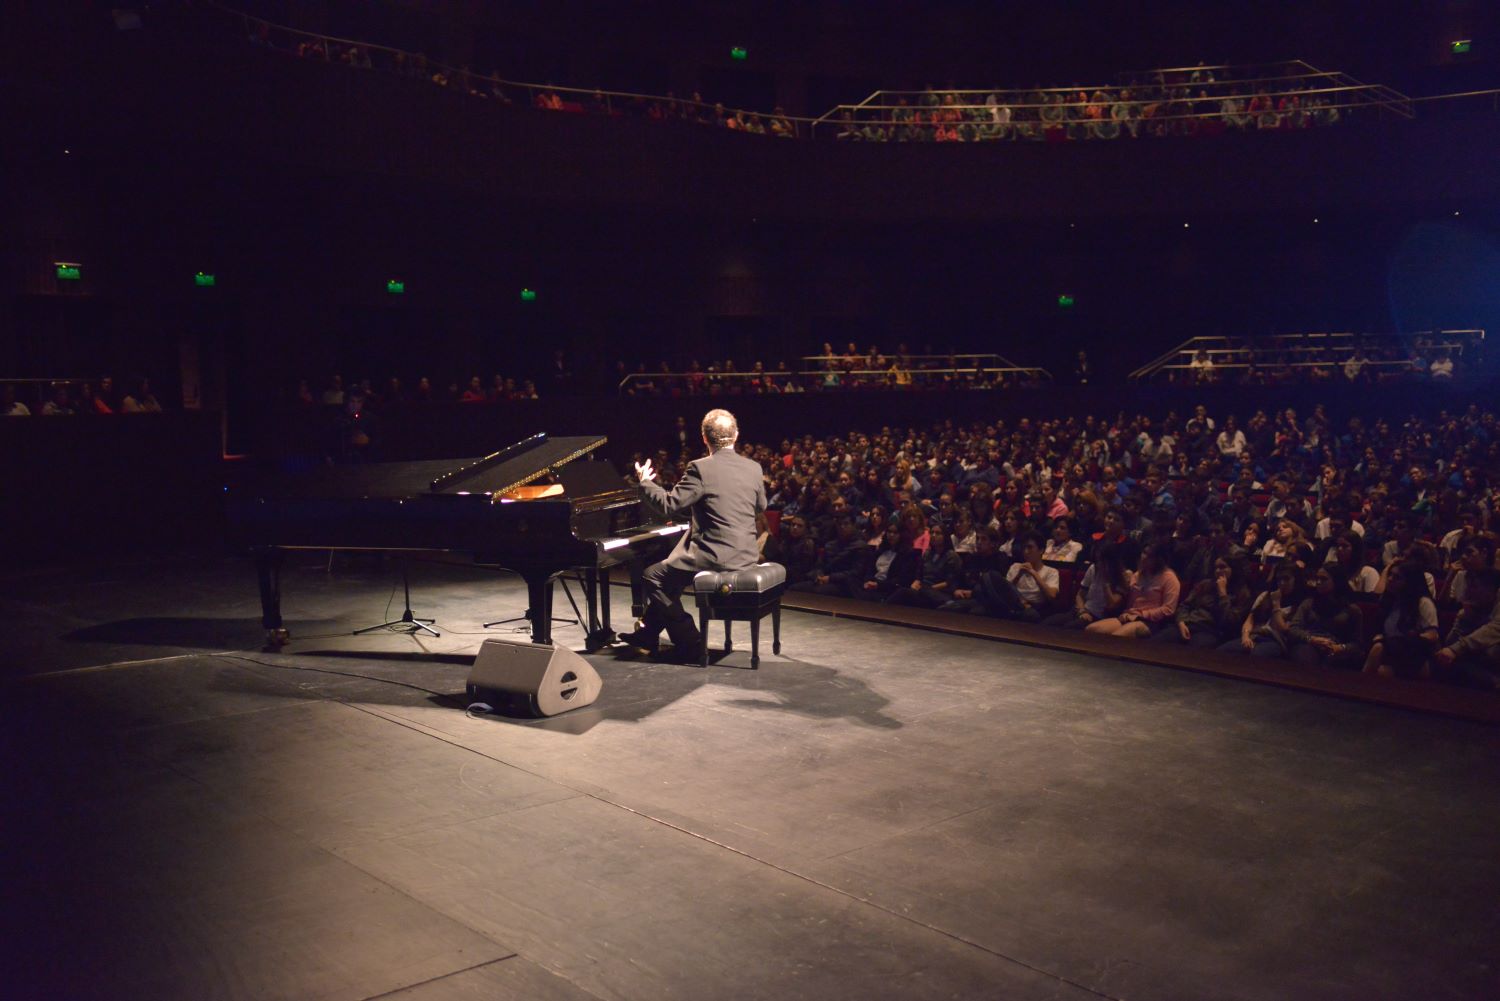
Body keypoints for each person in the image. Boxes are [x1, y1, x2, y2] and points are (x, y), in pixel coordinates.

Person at [619, 409, 767, 661]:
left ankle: (690, 640)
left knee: (654, 577)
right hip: (746, 554)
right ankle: (647, 633)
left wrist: (645, 481)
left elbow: (668, 505)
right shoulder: (753, 467)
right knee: (671, 573)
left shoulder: (700, 468)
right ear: (736, 435)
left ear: (704, 438)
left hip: (715, 557)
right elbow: (760, 507)